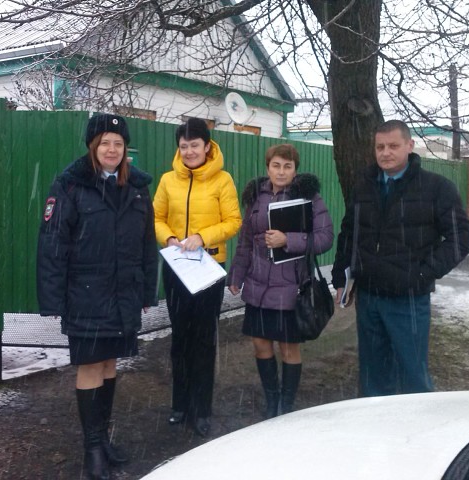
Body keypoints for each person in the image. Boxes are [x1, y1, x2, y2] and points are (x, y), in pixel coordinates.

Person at [36, 113, 158, 480]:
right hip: (85, 293)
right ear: (93, 146)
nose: (112, 149)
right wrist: (52, 299)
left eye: (119, 144)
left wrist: (146, 290)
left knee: (109, 364)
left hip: (123, 292)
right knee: (90, 365)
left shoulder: (137, 187)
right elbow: (53, 243)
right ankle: (92, 450)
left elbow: (146, 244)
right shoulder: (70, 185)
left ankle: (103, 440)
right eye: (105, 142)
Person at [331, 119, 469, 397]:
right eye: (380, 147)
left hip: (408, 299)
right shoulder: (364, 187)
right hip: (369, 296)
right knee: (372, 376)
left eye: (393, 146)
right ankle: (376, 421)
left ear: (410, 145)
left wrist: (421, 274)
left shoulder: (436, 188)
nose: (385, 152)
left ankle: (416, 424)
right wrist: (340, 276)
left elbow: (461, 238)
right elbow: (349, 232)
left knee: (413, 377)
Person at [227, 143, 334, 418]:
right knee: (260, 344)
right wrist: (236, 274)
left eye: (288, 166)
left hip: (291, 288)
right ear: (268, 168)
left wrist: (289, 240)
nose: (281, 171)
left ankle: (286, 406)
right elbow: (245, 241)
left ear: (295, 169)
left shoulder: (308, 197)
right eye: (276, 165)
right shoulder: (256, 196)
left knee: (288, 347)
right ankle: (271, 399)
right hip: (257, 286)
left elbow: (325, 238)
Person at [153, 118, 242, 437]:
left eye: (194, 145)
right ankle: (180, 405)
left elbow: (233, 221)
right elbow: (156, 217)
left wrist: (203, 237)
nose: (189, 151)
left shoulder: (223, 180)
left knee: (204, 340)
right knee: (180, 338)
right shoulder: (168, 180)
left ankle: (202, 409)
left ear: (207, 146)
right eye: (184, 146)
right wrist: (168, 237)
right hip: (177, 269)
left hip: (209, 269)